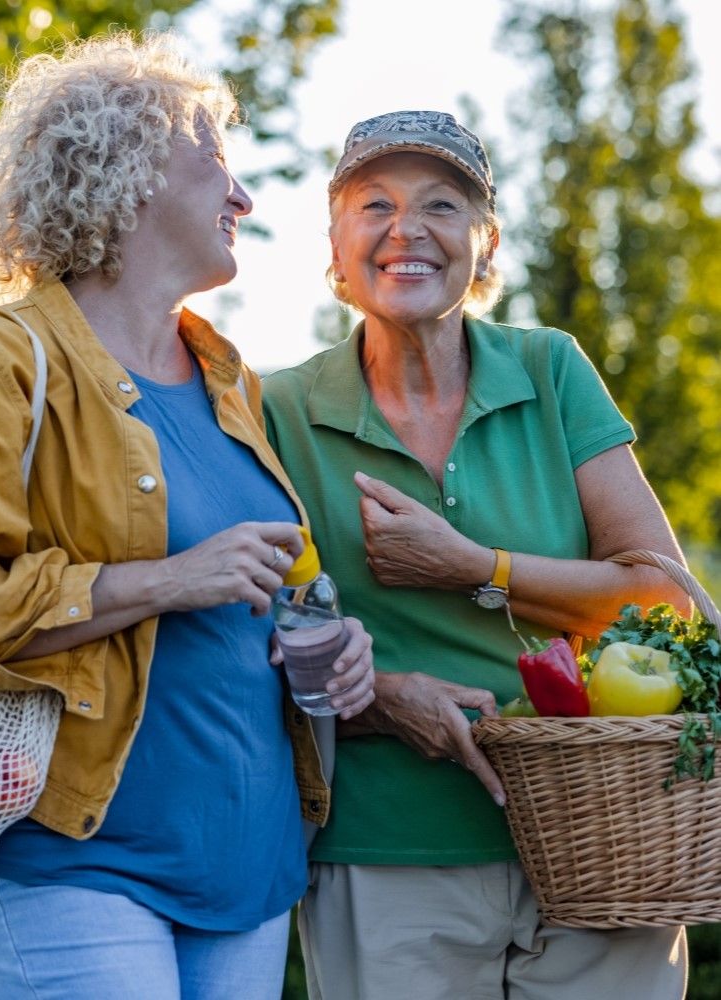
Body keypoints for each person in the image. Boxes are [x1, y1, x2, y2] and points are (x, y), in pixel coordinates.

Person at [0, 33, 374, 1000]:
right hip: (71, 855)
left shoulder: (232, 380)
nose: (243, 197)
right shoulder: (2, 357)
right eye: (216, 163)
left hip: (248, 867)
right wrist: (168, 582)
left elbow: (260, 589)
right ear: (127, 173)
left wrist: (327, 640)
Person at [261, 109, 690, 1000]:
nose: (406, 230)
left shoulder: (549, 371)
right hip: (390, 851)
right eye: (373, 203)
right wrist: (379, 700)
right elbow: (246, 635)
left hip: (603, 840)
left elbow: (667, 601)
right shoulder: (277, 412)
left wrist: (473, 565)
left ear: (484, 245)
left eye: (443, 205)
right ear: (336, 247)